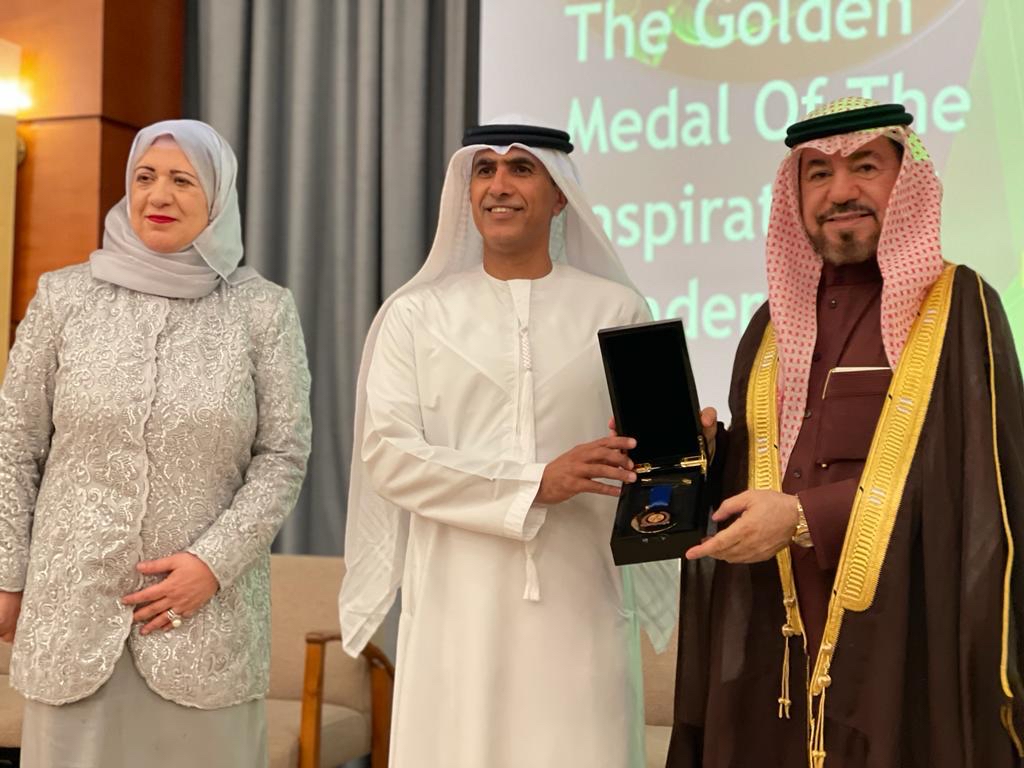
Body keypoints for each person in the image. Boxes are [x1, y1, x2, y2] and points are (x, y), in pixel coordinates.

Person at [665, 98, 1024, 768]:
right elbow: (760, 472)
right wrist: (704, 457)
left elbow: (972, 485)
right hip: (778, 649)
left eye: (865, 167)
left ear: (905, 181)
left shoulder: (959, 309)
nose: (840, 192)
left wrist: (806, 517)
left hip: (902, 643)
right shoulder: (767, 327)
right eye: (819, 174)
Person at [338, 123, 678, 767]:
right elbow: (389, 455)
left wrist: (688, 444)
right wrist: (534, 483)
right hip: (456, 605)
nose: (499, 185)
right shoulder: (415, 315)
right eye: (485, 170)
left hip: (582, 599)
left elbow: (661, 463)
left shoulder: (620, 310)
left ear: (560, 196)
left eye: (522, 169)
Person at [0, 120, 311, 767]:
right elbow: (14, 444)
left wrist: (212, 565)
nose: (158, 195)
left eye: (182, 181)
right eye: (145, 177)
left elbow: (283, 456)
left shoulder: (262, 309)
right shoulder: (64, 297)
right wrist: (7, 575)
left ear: (217, 196)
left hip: (204, 622)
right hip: (72, 612)